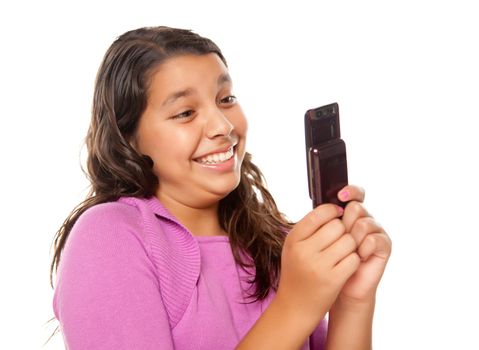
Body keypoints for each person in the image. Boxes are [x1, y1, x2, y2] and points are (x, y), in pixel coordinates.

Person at [50, 26, 391, 350]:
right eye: (185, 112)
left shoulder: (276, 243)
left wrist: (352, 299)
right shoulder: (110, 236)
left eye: (226, 98)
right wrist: (296, 305)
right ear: (129, 139)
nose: (223, 125)